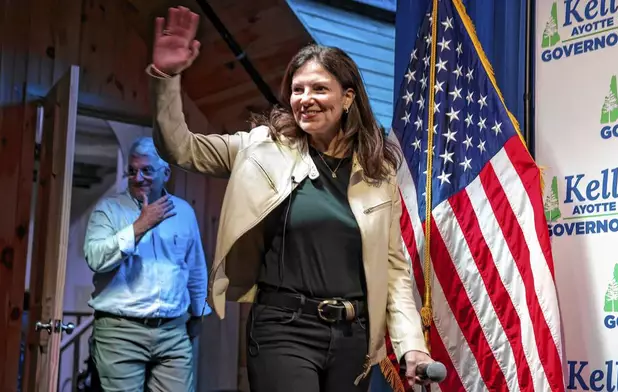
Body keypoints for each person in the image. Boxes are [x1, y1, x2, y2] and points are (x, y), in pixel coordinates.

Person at [147, 6, 435, 392]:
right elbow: (180, 149)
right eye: (297, 89)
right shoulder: (261, 147)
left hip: (354, 338)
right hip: (284, 329)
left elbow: (395, 271)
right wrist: (167, 77)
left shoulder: (377, 173)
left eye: (319, 88)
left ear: (348, 98)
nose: (305, 99)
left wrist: (412, 348)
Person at [83, 136, 211, 392]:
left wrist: (197, 314)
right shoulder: (108, 210)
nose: (138, 177)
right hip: (120, 332)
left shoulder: (184, 211)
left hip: (173, 332)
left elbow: (195, 268)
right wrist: (140, 226)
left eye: (146, 170)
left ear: (166, 172)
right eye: (132, 171)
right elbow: (95, 258)